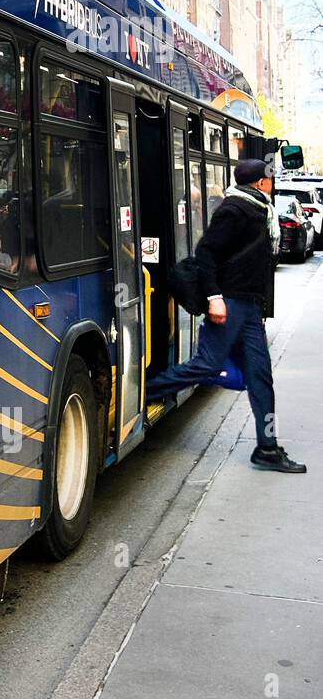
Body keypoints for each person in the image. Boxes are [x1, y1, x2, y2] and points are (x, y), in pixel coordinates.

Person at [148, 158, 305, 473]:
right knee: (206, 364)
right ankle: (146, 393)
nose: (272, 184)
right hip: (230, 303)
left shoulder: (260, 209)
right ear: (260, 183)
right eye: (270, 179)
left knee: (260, 376)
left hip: (248, 306)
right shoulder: (234, 210)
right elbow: (206, 252)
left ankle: (268, 448)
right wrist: (214, 298)